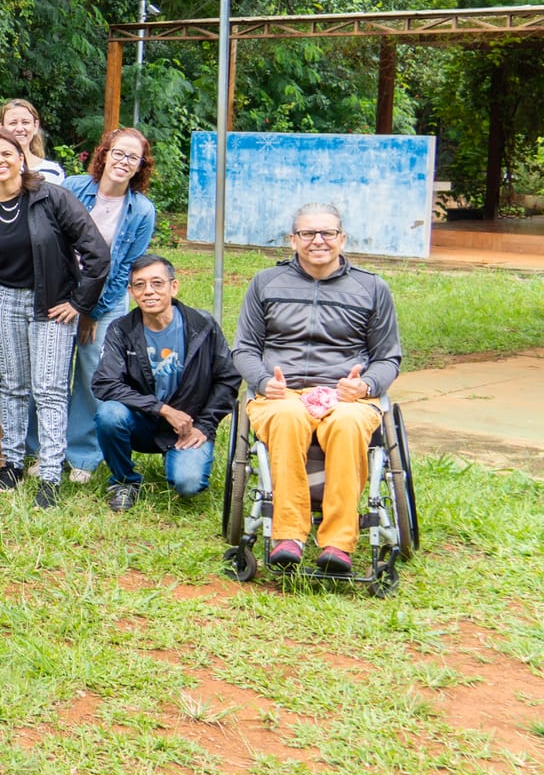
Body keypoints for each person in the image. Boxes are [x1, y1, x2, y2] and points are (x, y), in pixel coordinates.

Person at [231, 205, 402, 574]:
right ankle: (288, 536)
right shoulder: (265, 283)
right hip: (282, 393)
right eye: (308, 233)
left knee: (347, 424)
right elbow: (243, 349)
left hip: (346, 395)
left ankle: (338, 543)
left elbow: (388, 357)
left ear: (342, 238)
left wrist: (366, 384)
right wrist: (263, 381)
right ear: (293, 240)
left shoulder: (372, 288)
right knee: (288, 417)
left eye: (327, 233)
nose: (318, 241)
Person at [0, 126, 112, 509]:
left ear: (21, 158)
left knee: (48, 389)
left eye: (7, 153)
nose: (0, 161)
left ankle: (50, 474)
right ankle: (13, 463)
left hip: (51, 303)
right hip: (3, 301)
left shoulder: (52, 197)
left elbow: (97, 253)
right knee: (13, 386)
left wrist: (78, 303)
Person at [92, 254, 240, 512]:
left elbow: (228, 378)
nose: (148, 291)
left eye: (157, 283)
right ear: (131, 292)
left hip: (187, 427)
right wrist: (162, 410)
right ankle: (124, 481)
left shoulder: (202, 326)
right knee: (109, 415)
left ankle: (180, 458)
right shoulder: (121, 329)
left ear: (174, 286)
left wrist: (204, 426)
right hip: (141, 421)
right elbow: (104, 382)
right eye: (140, 285)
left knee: (188, 484)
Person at [61, 126, 159, 481]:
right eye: (118, 153)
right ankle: (44, 449)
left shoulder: (141, 210)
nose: (123, 161)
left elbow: (126, 270)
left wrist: (93, 311)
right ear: (104, 154)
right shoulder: (72, 188)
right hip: (61, 296)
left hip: (106, 303)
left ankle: (82, 456)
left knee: (93, 376)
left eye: (133, 157)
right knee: (52, 374)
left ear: (140, 166)